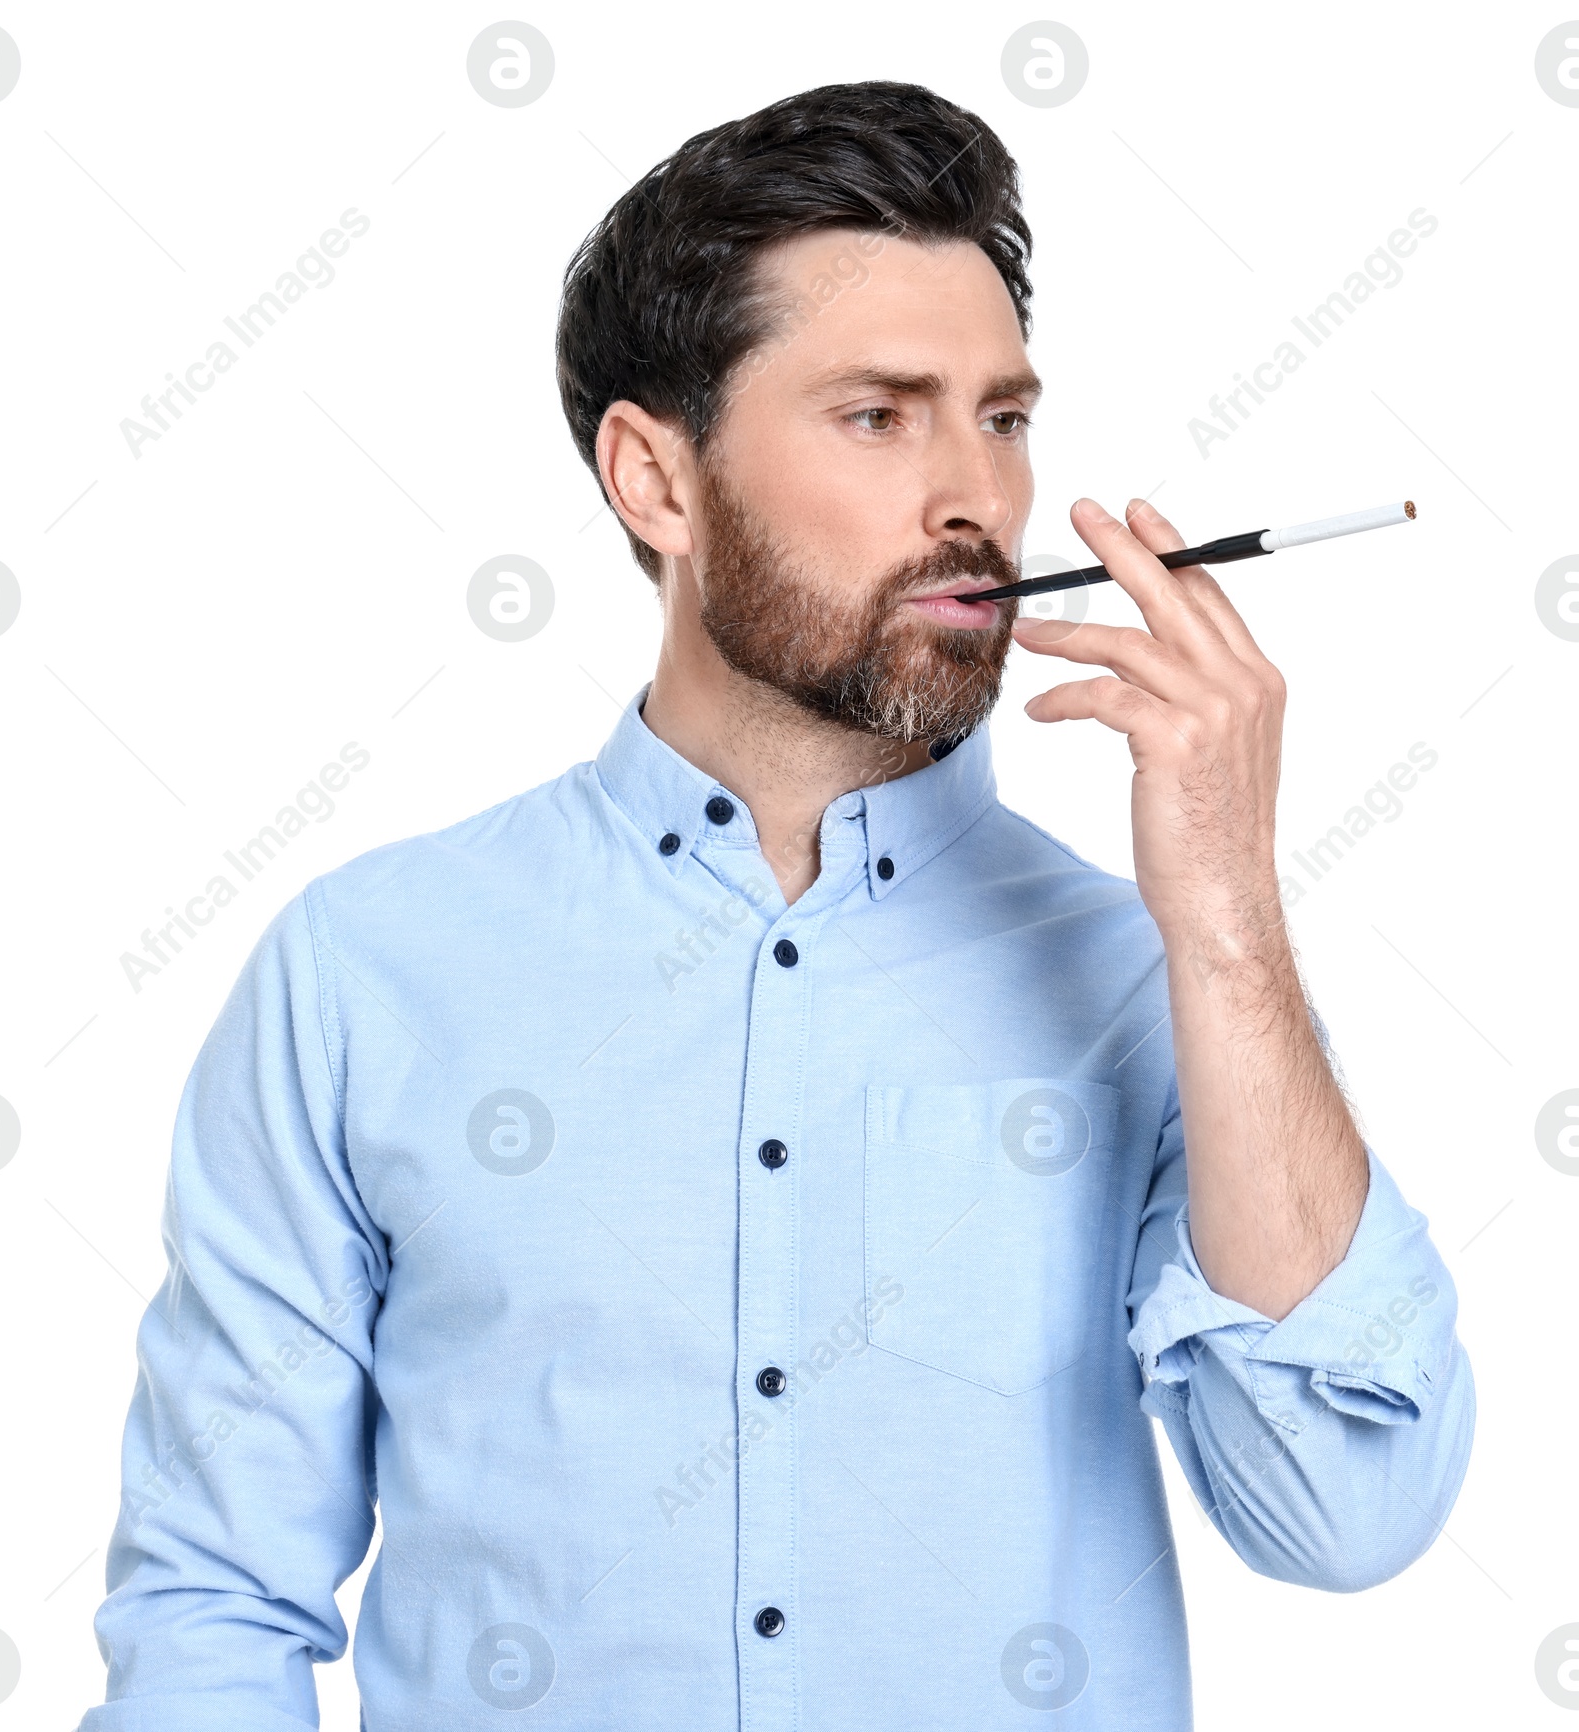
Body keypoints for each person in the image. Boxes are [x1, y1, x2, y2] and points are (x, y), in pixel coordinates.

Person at [83, 81, 1473, 1731]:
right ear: (654, 483)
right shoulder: (365, 971)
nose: (978, 495)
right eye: (881, 416)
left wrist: (1231, 913)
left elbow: (1348, 1516)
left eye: (1004, 418)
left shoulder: (1154, 976)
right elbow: (212, 1600)